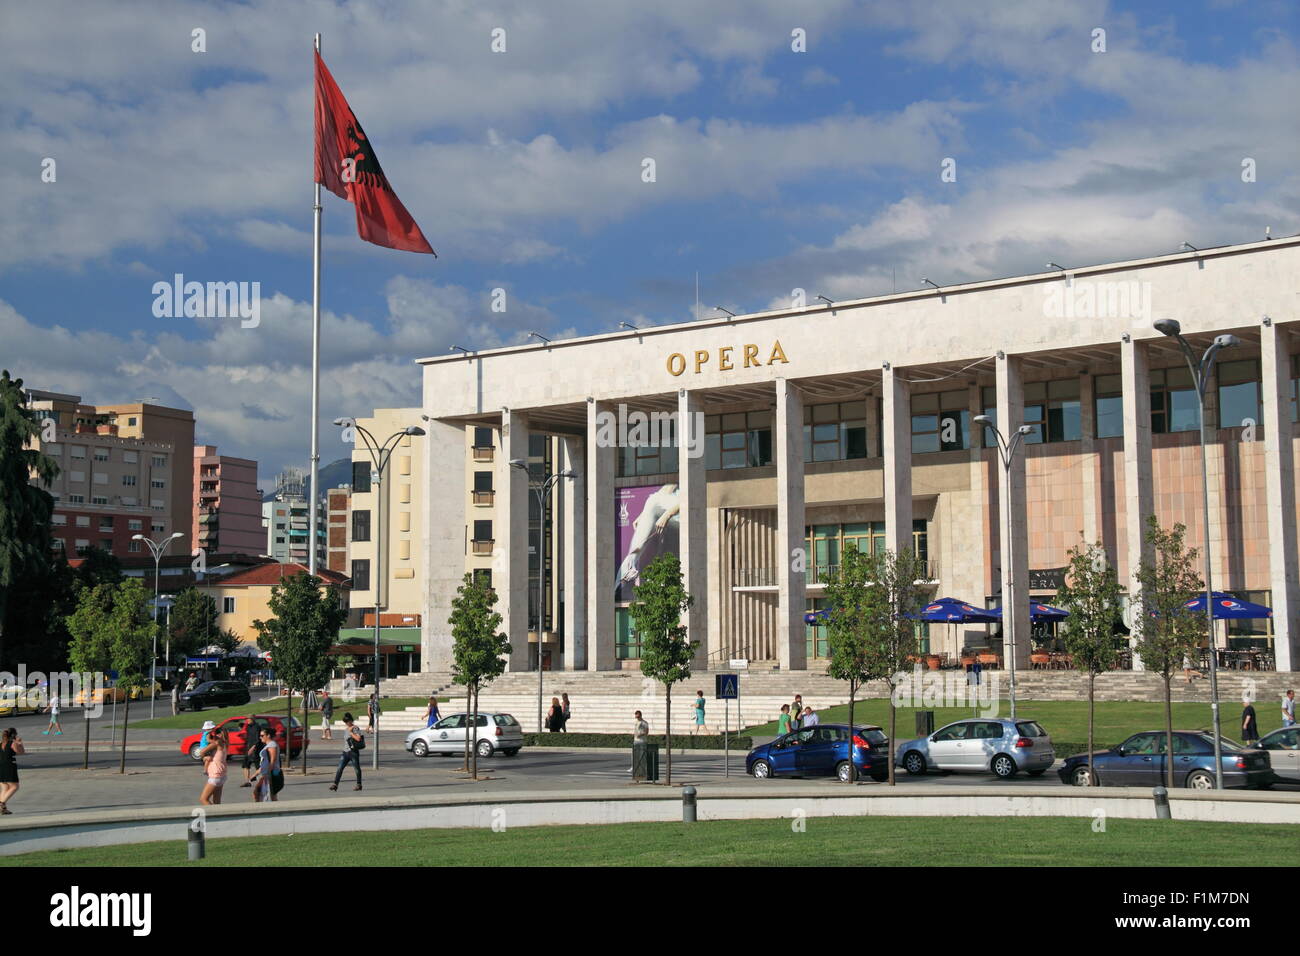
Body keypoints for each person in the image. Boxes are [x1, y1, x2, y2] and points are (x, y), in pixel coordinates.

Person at [329, 713, 364, 792]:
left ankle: (359, 785)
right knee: (339, 768)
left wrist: (351, 733)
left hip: (353, 752)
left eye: (347, 721)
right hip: (345, 752)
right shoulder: (346, 729)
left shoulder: (355, 728)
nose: (347, 723)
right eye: (345, 722)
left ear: (351, 720)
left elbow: (358, 739)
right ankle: (335, 784)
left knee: (357, 769)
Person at [249, 727, 282, 802]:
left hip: (269, 774)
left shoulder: (272, 745)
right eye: (260, 736)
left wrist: (267, 775)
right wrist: (255, 774)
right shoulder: (269, 745)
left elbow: (272, 761)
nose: (260, 737)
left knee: (264, 794)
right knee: (265, 794)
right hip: (266, 773)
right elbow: (265, 762)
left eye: (262, 735)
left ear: (268, 735)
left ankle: (266, 810)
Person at [198, 728, 229, 805]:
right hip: (222, 774)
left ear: (219, 734)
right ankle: (219, 815)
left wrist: (204, 757)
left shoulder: (217, 742)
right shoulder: (225, 743)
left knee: (203, 799)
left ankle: (213, 814)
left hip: (216, 775)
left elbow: (201, 752)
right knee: (217, 801)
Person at [0, 727, 24, 815]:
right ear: (13, 735)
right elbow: (21, 752)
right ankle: (1, 803)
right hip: (9, 766)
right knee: (15, 787)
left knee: (5, 787)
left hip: (1, 766)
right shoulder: (12, 743)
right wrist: (20, 743)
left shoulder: (1, 743)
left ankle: (3, 808)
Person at [240, 719, 262, 789]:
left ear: (252, 719)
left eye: (248, 720)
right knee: (245, 765)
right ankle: (247, 782)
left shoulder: (257, 727)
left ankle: (260, 781)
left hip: (256, 749)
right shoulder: (248, 727)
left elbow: (258, 739)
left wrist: (253, 747)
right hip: (249, 748)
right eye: (246, 720)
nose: (247, 721)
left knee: (258, 766)